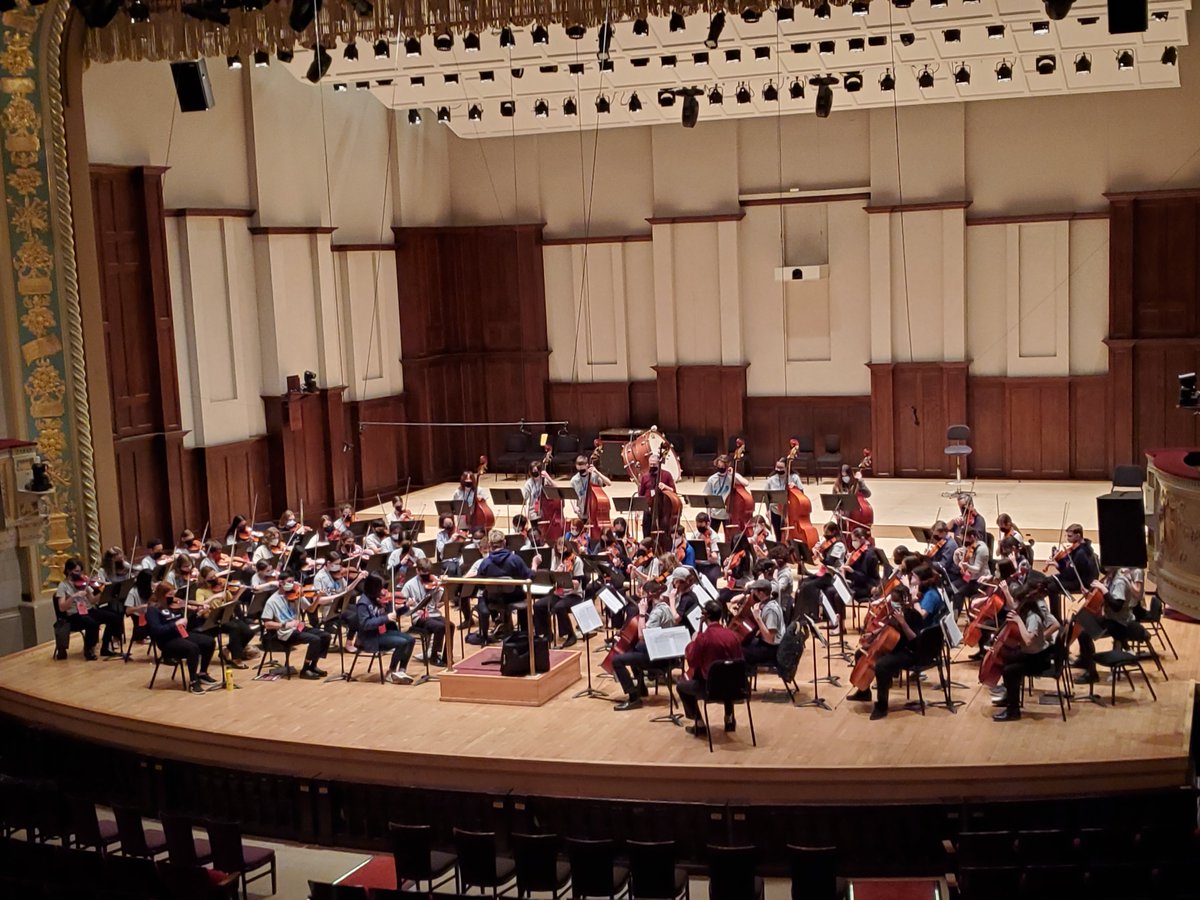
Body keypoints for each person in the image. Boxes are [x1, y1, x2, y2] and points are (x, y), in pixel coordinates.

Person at [848, 567, 948, 720]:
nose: (894, 605)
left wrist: (903, 623)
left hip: (911, 651)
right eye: (892, 602)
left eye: (896, 603)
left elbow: (915, 640)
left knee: (882, 665)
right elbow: (889, 627)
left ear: (905, 601)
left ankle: (882, 706)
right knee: (860, 653)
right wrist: (874, 634)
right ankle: (864, 692)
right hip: (896, 646)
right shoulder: (895, 612)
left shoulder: (913, 615)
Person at [993, 584, 1061, 721]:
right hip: (1033, 654)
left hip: (1039, 659)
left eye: (1017, 601)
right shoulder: (1027, 612)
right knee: (1007, 659)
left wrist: (1018, 622)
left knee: (1009, 670)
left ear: (1024, 602)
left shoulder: (1033, 617)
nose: (1015, 604)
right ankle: (1011, 698)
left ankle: (1013, 711)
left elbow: (1028, 640)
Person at [677, 600, 745, 736]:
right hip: (735, 688)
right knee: (728, 674)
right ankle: (729, 719)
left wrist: (693, 641)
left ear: (705, 616)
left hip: (711, 689)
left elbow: (692, 661)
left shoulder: (703, 638)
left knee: (681, 686)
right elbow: (739, 661)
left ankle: (699, 723)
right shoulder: (733, 635)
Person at [611, 581, 678, 711]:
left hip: (658, 658)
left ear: (649, 595)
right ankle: (641, 688)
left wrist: (642, 613)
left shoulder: (657, 613)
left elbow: (643, 636)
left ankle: (633, 697)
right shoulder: (666, 607)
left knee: (617, 660)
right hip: (665, 653)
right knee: (632, 650)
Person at [1073, 567, 1145, 685]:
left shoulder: (1120, 582)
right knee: (1081, 622)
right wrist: (1089, 595)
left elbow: (1116, 606)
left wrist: (1104, 589)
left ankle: (1092, 673)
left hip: (1120, 624)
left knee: (1085, 633)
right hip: (1111, 619)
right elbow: (1104, 600)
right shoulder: (1112, 578)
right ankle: (1085, 660)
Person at [146, 583, 216, 693]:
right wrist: (174, 625)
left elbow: (188, 624)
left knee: (209, 642)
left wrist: (197, 612)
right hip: (167, 641)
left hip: (181, 634)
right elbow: (156, 630)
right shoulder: (153, 610)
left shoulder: (175, 605)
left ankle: (202, 673)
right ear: (161, 595)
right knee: (192, 648)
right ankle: (193, 682)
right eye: (170, 594)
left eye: (173, 593)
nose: (173, 597)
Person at [260, 575, 333, 679]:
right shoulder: (272, 601)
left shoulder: (296, 594)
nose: (293, 584)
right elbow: (267, 624)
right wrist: (284, 624)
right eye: (289, 581)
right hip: (285, 632)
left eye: (293, 581)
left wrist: (317, 598)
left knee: (325, 636)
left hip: (298, 627)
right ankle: (305, 670)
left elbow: (310, 610)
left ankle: (313, 666)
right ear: (281, 583)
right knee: (315, 639)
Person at [355, 573, 416, 684]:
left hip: (382, 633)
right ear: (373, 588)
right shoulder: (363, 603)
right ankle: (391, 672)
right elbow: (365, 624)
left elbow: (393, 614)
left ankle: (402, 671)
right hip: (370, 638)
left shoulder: (379, 599)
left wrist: (406, 606)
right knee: (402, 642)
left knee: (411, 640)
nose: (383, 591)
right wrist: (385, 618)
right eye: (380, 588)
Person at [475, 528, 535, 640]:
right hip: (514, 599)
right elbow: (530, 576)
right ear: (504, 542)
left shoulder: (485, 563)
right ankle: (525, 634)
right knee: (525, 595)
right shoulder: (515, 559)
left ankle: (498, 626)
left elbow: (480, 585)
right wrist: (535, 565)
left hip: (494, 600)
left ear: (490, 545)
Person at [736, 579, 783, 669]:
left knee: (738, 652)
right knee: (744, 644)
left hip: (771, 650)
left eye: (755, 590)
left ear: (761, 593)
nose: (753, 592)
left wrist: (758, 618)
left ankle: (743, 680)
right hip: (766, 645)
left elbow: (770, 639)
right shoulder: (767, 604)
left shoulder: (771, 610)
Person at [703, 455, 749, 534]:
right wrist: (708, 514)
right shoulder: (712, 479)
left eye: (723, 465)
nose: (720, 467)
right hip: (714, 514)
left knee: (729, 537)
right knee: (712, 535)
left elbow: (746, 483)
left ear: (727, 465)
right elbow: (707, 496)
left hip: (728, 514)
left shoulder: (731, 477)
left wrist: (734, 473)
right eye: (719, 465)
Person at [637, 455, 677, 543]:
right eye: (650, 464)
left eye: (654, 465)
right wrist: (638, 509)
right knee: (646, 532)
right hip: (648, 509)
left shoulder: (666, 475)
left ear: (659, 464)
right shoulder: (645, 476)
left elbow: (674, 491)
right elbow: (641, 494)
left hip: (663, 510)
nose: (652, 467)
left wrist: (665, 487)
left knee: (664, 534)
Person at [1050, 524, 1099, 594]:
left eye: (1070, 536)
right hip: (1078, 579)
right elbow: (1070, 567)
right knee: (1048, 580)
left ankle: (1050, 605)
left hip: (1082, 583)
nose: (1067, 538)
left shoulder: (1081, 553)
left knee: (1051, 585)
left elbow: (1069, 575)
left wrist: (1058, 566)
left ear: (1078, 536)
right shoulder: (1085, 547)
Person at [951, 529, 990, 615]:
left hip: (980, 581)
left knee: (958, 593)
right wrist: (956, 556)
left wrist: (967, 566)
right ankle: (949, 613)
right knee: (951, 587)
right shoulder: (968, 547)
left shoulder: (982, 549)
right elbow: (959, 564)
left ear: (972, 537)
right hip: (969, 578)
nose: (963, 542)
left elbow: (977, 569)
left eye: (965, 539)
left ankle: (955, 617)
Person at [765, 459, 803, 540]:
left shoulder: (794, 477)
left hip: (790, 512)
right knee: (778, 535)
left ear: (787, 467)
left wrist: (795, 488)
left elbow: (802, 495)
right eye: (777, 467)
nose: (778, 470)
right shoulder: (771, 480)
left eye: (781, 468)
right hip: (775, 511)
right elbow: (766, 496)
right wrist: (768, 510)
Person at [570, 454, 611, 521]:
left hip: (595, 511)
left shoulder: (594, 476)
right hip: (582, 512)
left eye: (582, 469)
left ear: (587, 465)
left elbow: (609, 483)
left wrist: (597, 472)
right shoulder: (574, 480)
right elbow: (572, 496)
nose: (581, 470)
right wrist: (574, 507)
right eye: (579, 468)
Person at [690, 512, 722, 587]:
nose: (699, 526)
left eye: (701, 524)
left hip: (711, 565)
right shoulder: (695, 535)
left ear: (707, 523)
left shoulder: (714, 537)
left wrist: (709, 552)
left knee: (711, 578)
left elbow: (714, 558)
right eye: (697, 524)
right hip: (698, 564)